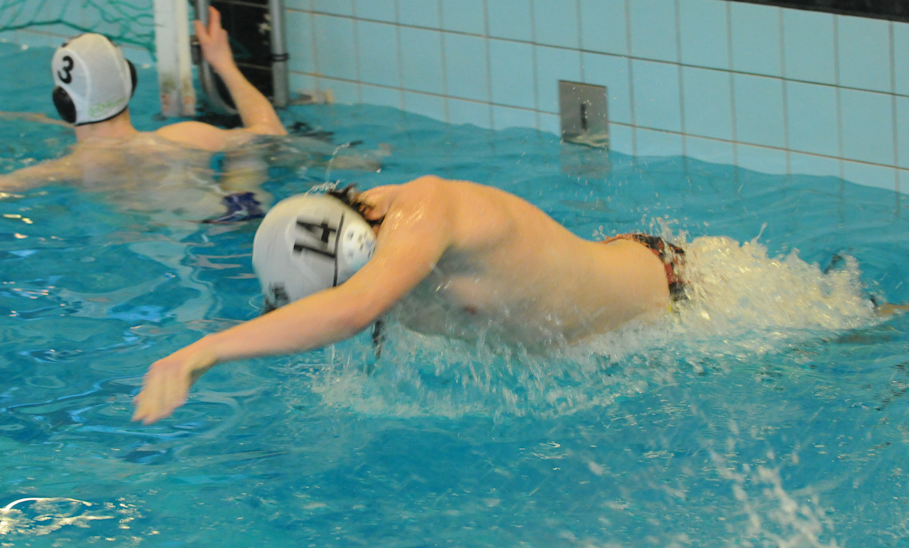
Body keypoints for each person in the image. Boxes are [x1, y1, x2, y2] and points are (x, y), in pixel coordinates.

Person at [131, 176, 684, 424]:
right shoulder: (366, 247)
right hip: (605, 349)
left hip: (679, 294)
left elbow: (350, 311)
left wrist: (202, 350)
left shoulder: (427, 209)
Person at [0, 6, 286, 214]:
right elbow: (270, 133)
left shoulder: (72, 168)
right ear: (131, 83)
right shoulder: (189, 135)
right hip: (239, 211)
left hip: (186, 243)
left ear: (63, 103)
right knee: (245, 153)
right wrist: (222, 63)